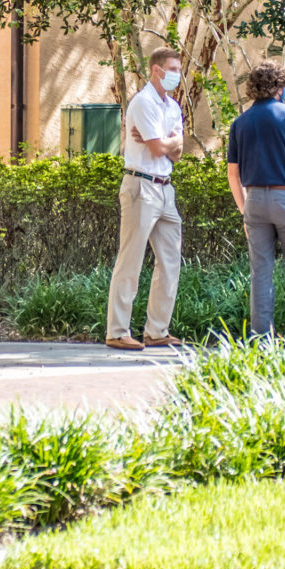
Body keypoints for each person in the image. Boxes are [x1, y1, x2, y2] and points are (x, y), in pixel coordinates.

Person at [226, 61, 285, 344]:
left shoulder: (240, 122)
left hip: (254, 199)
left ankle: (260, 341)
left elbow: (233, 173)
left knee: (261, 273)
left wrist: (244, 209)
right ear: (280, 86)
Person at [105, 48, 186, 351]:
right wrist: (167, 142)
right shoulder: (142, 102)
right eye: (173, 68)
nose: (178, 74)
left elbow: (177, 151)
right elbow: (156, 149)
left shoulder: (173, 107)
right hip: (141, 185)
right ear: (156, 70)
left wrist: (169, 143)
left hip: (166, 188)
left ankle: (156, 331)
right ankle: (117, 331)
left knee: (170, 262)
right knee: (131, 259)